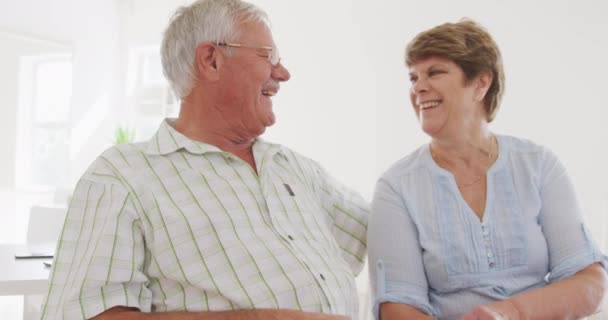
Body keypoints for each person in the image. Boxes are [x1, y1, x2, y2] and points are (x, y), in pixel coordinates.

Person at [39, 0, 368, 319]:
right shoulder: (123, 176)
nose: (283, 73)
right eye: (269, 56)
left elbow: (396, 227)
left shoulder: (294, 168)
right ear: (211, 60)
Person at [367, 19, 607, 320]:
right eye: (413, 78)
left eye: (435, 72)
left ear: (481, 83)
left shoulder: (539, 165)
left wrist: (509, 313)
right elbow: (397, 308)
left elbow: (589, 281)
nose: (418, 87)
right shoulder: (396, 186)